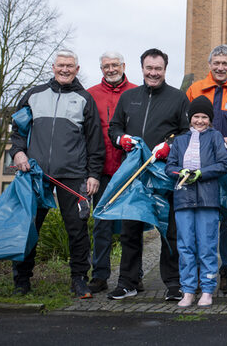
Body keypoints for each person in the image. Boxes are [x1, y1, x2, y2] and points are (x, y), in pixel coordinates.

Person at [9, 50, 104, 298]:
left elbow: (95, 141)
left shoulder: (85, 99)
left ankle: (79, 279)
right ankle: (21, 280)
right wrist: (18, 153)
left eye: (69, 66)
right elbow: (17, 130)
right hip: (35, 173)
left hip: (73, 174)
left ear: (77, 69)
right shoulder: (33, 95)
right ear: (53, 67)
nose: (65, 69)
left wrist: (93, 174)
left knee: (77, 228)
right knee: (29, 226)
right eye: (61, 65)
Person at [107, 48, 189, 301]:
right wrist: (122, 138)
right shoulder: (128, 97)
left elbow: (187, 132)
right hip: (134, 174)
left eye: (158, 69)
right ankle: (128, 282)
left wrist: (170, 144)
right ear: (141, 68)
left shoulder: (178, 98)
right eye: (149, 68)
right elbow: (114, 128)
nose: (153, 73)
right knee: (130, 228)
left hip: (164, 174)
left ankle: (174, 284)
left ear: (165, 70)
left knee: (169, 230)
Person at [185, 45, 227, 294]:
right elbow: (188, 124)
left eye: (225, 63)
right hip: (201, 163)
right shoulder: (194, 90)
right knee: (203, 219)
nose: (221, 67)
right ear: (210, 64)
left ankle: (226, 271)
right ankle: (205, 272)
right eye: (216, 63)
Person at [166, 95, 227, 308]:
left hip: (207, 199)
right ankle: (188, 290)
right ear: (189, 118)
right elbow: (169, 166)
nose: (200, 121)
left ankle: (208, 290)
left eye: (204, 117)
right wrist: (180, 171)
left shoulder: (215, 137)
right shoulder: (180, 140)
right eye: (196, 116)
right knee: (185, 246)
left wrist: (200, 173)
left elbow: (223, 164)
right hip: (183, 199)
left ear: (210, 119)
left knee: (207, 245)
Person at [86, 51, 137, 293]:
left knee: (131, 226)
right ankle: (99, 275)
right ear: (101, 68)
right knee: (102, 225)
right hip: (102, 169)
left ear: (123, 66)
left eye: (115, 65)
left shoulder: (136, 92)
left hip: (129, 170)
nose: (111, 69)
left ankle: (132, 276)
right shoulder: (91, 95)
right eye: (106, 65)